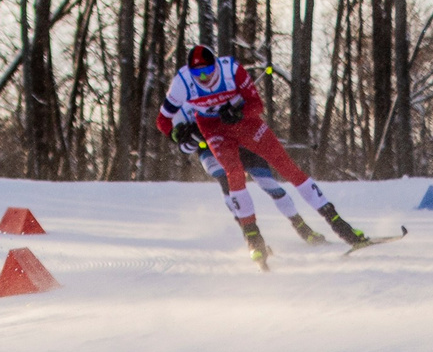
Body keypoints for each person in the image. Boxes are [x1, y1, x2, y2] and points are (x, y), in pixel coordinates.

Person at [156, 43, 373, 265]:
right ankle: (252, 237)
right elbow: (164, 123)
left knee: (286, 168)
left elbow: (256, 105)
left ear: (216, 67)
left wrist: (239, 111)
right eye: (197, 73)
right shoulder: (182, 84)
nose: (202, 78)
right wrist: (178, 135)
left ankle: (337, 224)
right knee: (231, 175)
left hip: (244, 125)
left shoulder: (231, 70)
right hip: (214, 134)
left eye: (207, 72)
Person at [168, 115, 329, 245]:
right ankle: (252, 238)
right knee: (228, 185)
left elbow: (248, 110)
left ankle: (302, 228)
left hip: (244, 146)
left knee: (270, 185)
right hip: (212, 153)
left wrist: (236, 117)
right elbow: (182, 145)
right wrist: (190, 136)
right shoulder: (179, 100)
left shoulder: (223, 81)